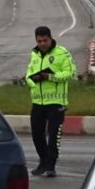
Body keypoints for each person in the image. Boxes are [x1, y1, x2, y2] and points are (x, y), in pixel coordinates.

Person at [25, 26, 75, 178]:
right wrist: (33, 80)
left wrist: (50, 77)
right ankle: (43, 161)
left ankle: (51, 165)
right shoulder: (34, 54)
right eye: (39, 41)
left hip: (56, 101)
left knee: (53, 135)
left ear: (50, 38)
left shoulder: (61, 53)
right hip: (38, 102)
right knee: (36, 135)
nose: (42, 44)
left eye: (45, 40)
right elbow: (28, 75)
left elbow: (70, 73)